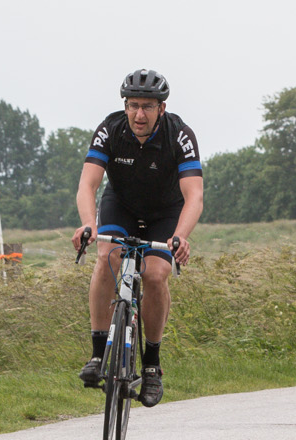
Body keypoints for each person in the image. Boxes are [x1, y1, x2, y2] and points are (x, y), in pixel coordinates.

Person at [70, 69, 203, 407]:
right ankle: (98, 354)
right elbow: (88, 184)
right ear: (125, 106)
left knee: (155, 275)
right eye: (132, 105)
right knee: (107, 257)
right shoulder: (110, 129)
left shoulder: (180, 135)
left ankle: (152, 365)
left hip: (165, 213)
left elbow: (194, 196)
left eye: (147, 106)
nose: (138, 114)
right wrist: (88, 224)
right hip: (122, 206)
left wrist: (180, 236)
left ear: (162, 108)